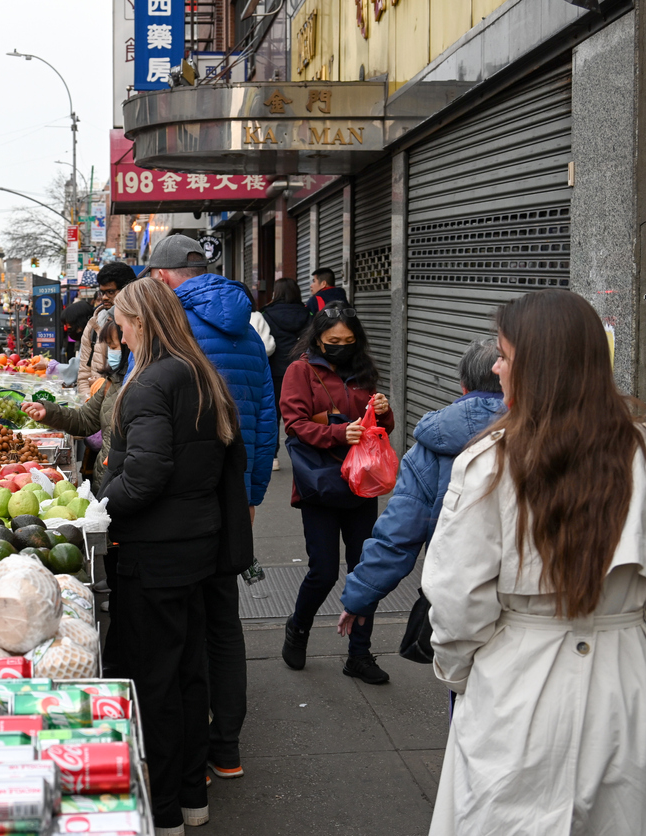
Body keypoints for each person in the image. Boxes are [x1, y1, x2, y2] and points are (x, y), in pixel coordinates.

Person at [423, 290, 646, 835]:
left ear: (538, 369)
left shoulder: (487, 466)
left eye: (505, 355)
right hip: (632, 686)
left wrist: (468, 675)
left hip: (517, 681)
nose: (495, 367)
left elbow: (455, 602)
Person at [101, 277, 247, 836]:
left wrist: (98, 506)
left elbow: (145, 474)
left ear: (142, 323)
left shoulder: (148, 385)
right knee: (189, 676)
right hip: (198, 548)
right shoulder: (200, 373)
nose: (120, 333)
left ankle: (162, 813)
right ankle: (191, 799)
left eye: (123, 322)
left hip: (155, 554)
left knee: (154, 683)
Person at [143, 233, 277, 782]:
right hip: (234, 491)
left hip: (185, 500)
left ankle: (190, 752)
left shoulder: (169, 331)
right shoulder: (246, 329)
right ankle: (227, 749)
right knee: (224, 620)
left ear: (166, 277)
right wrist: (251, 495)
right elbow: (265, 420)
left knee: (184, 623)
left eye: (153, 277)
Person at [336, 338, 505, 638]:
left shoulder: (433, 446)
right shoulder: (546, 433)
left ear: (463, 385)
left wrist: (359, 596)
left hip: (458, 593)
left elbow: (398, 534)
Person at [279, 301, 394, 683]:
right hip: (321, 482)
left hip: (362, 483)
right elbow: (294, 424)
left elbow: (378, 427)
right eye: (333, 340)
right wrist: (336, 433)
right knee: (324, 571)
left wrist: (384, 410)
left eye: (348, 340)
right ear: (319, 339)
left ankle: (359, 654)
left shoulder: (363, 371)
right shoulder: (301, 371)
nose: (341, 346)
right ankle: (298, 627)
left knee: (365, 570)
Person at [20, 314, 127, 494]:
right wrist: (48, 411)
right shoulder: (111, 382)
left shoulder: (145, 386)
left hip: (122, 490)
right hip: (105, 484)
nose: (110, 353)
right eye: (108, 347)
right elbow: (84, 419)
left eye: (114, 347)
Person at [261, 278, 310, 471]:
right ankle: (304, 454)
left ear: (277, 293)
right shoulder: (307, 313)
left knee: (273, 414)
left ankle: (273, 457)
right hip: (301, 370)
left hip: (275, 370)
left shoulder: (267, 313)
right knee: (303, 412)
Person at [77, 262, 138, 390]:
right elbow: (84, 374)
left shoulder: (140, 323)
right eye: (102, 292)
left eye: (110, 292)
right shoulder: (94, 324)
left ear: (126, 289)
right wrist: (88, 401)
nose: (104, 297)